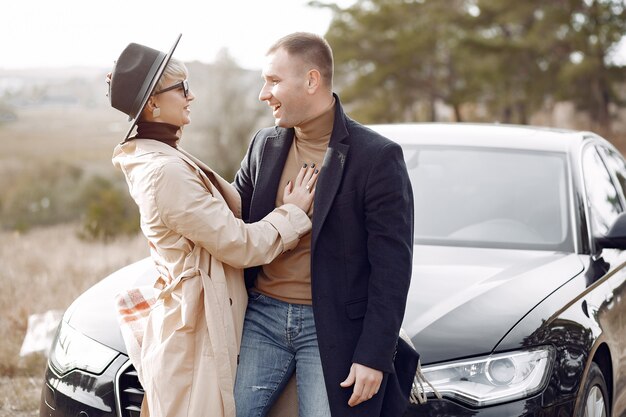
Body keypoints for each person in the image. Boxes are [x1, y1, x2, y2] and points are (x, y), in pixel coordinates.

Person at [107, 34, 318, 417]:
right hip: (195, 330)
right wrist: (293, 214)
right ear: (153, 104)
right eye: (182, 88)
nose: (192, 96)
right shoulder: (164, 172)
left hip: (205, 317)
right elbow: (238, 244)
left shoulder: (165, 156)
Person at [233, 32, 417, 417]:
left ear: (312, 80)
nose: (263, 94)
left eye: (274, 81)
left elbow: (392, 268)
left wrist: (374, 356)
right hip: (261, 317)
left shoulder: (377, 157)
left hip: (329, 327)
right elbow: (230, 222)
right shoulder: (263, 145)